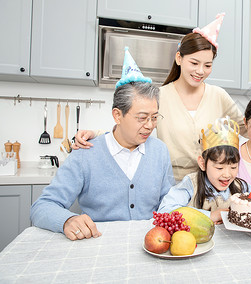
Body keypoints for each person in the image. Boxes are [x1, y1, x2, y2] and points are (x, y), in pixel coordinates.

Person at [73, 13, 251, 182]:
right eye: (194, 63)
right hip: (166, 184)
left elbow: (249, 127)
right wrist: (94, 133)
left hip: (209, 186)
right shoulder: (160, 95)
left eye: (207, 65)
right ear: (179, 59)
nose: (200, 71)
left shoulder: (218, 96)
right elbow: (135, 127)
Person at [31, 48, 174, 241]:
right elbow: (42, 206)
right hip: (98, 247)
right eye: (142, 118)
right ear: (117, 115)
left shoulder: (159, 151)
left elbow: (169, 203)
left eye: (154, 117)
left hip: (152, 246)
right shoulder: (85, 153)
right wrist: (67, 220)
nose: (149, 126)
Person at [158, 116, 251, 224]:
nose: (227, 174)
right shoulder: (191, 184)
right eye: (219, 168)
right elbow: (165, 211)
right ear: (202, 163)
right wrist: (210, 215)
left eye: (233, 167)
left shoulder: (242, 187)